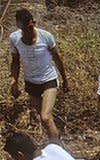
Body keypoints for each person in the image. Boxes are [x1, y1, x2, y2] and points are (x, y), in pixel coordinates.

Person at [8, 9, 69, 143]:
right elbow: (15, 61)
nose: (28, 32)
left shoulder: (45, 36)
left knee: (45, 117)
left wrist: (65, 79)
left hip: (48, 80)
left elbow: (57, 58)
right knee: (47, 120)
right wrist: (14, 81)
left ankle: (56, 148)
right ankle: (57, 143)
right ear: (19, 27)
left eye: (30, 27)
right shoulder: (14, 39)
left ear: (34, 23)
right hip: (31, 82)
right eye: (25, 29)